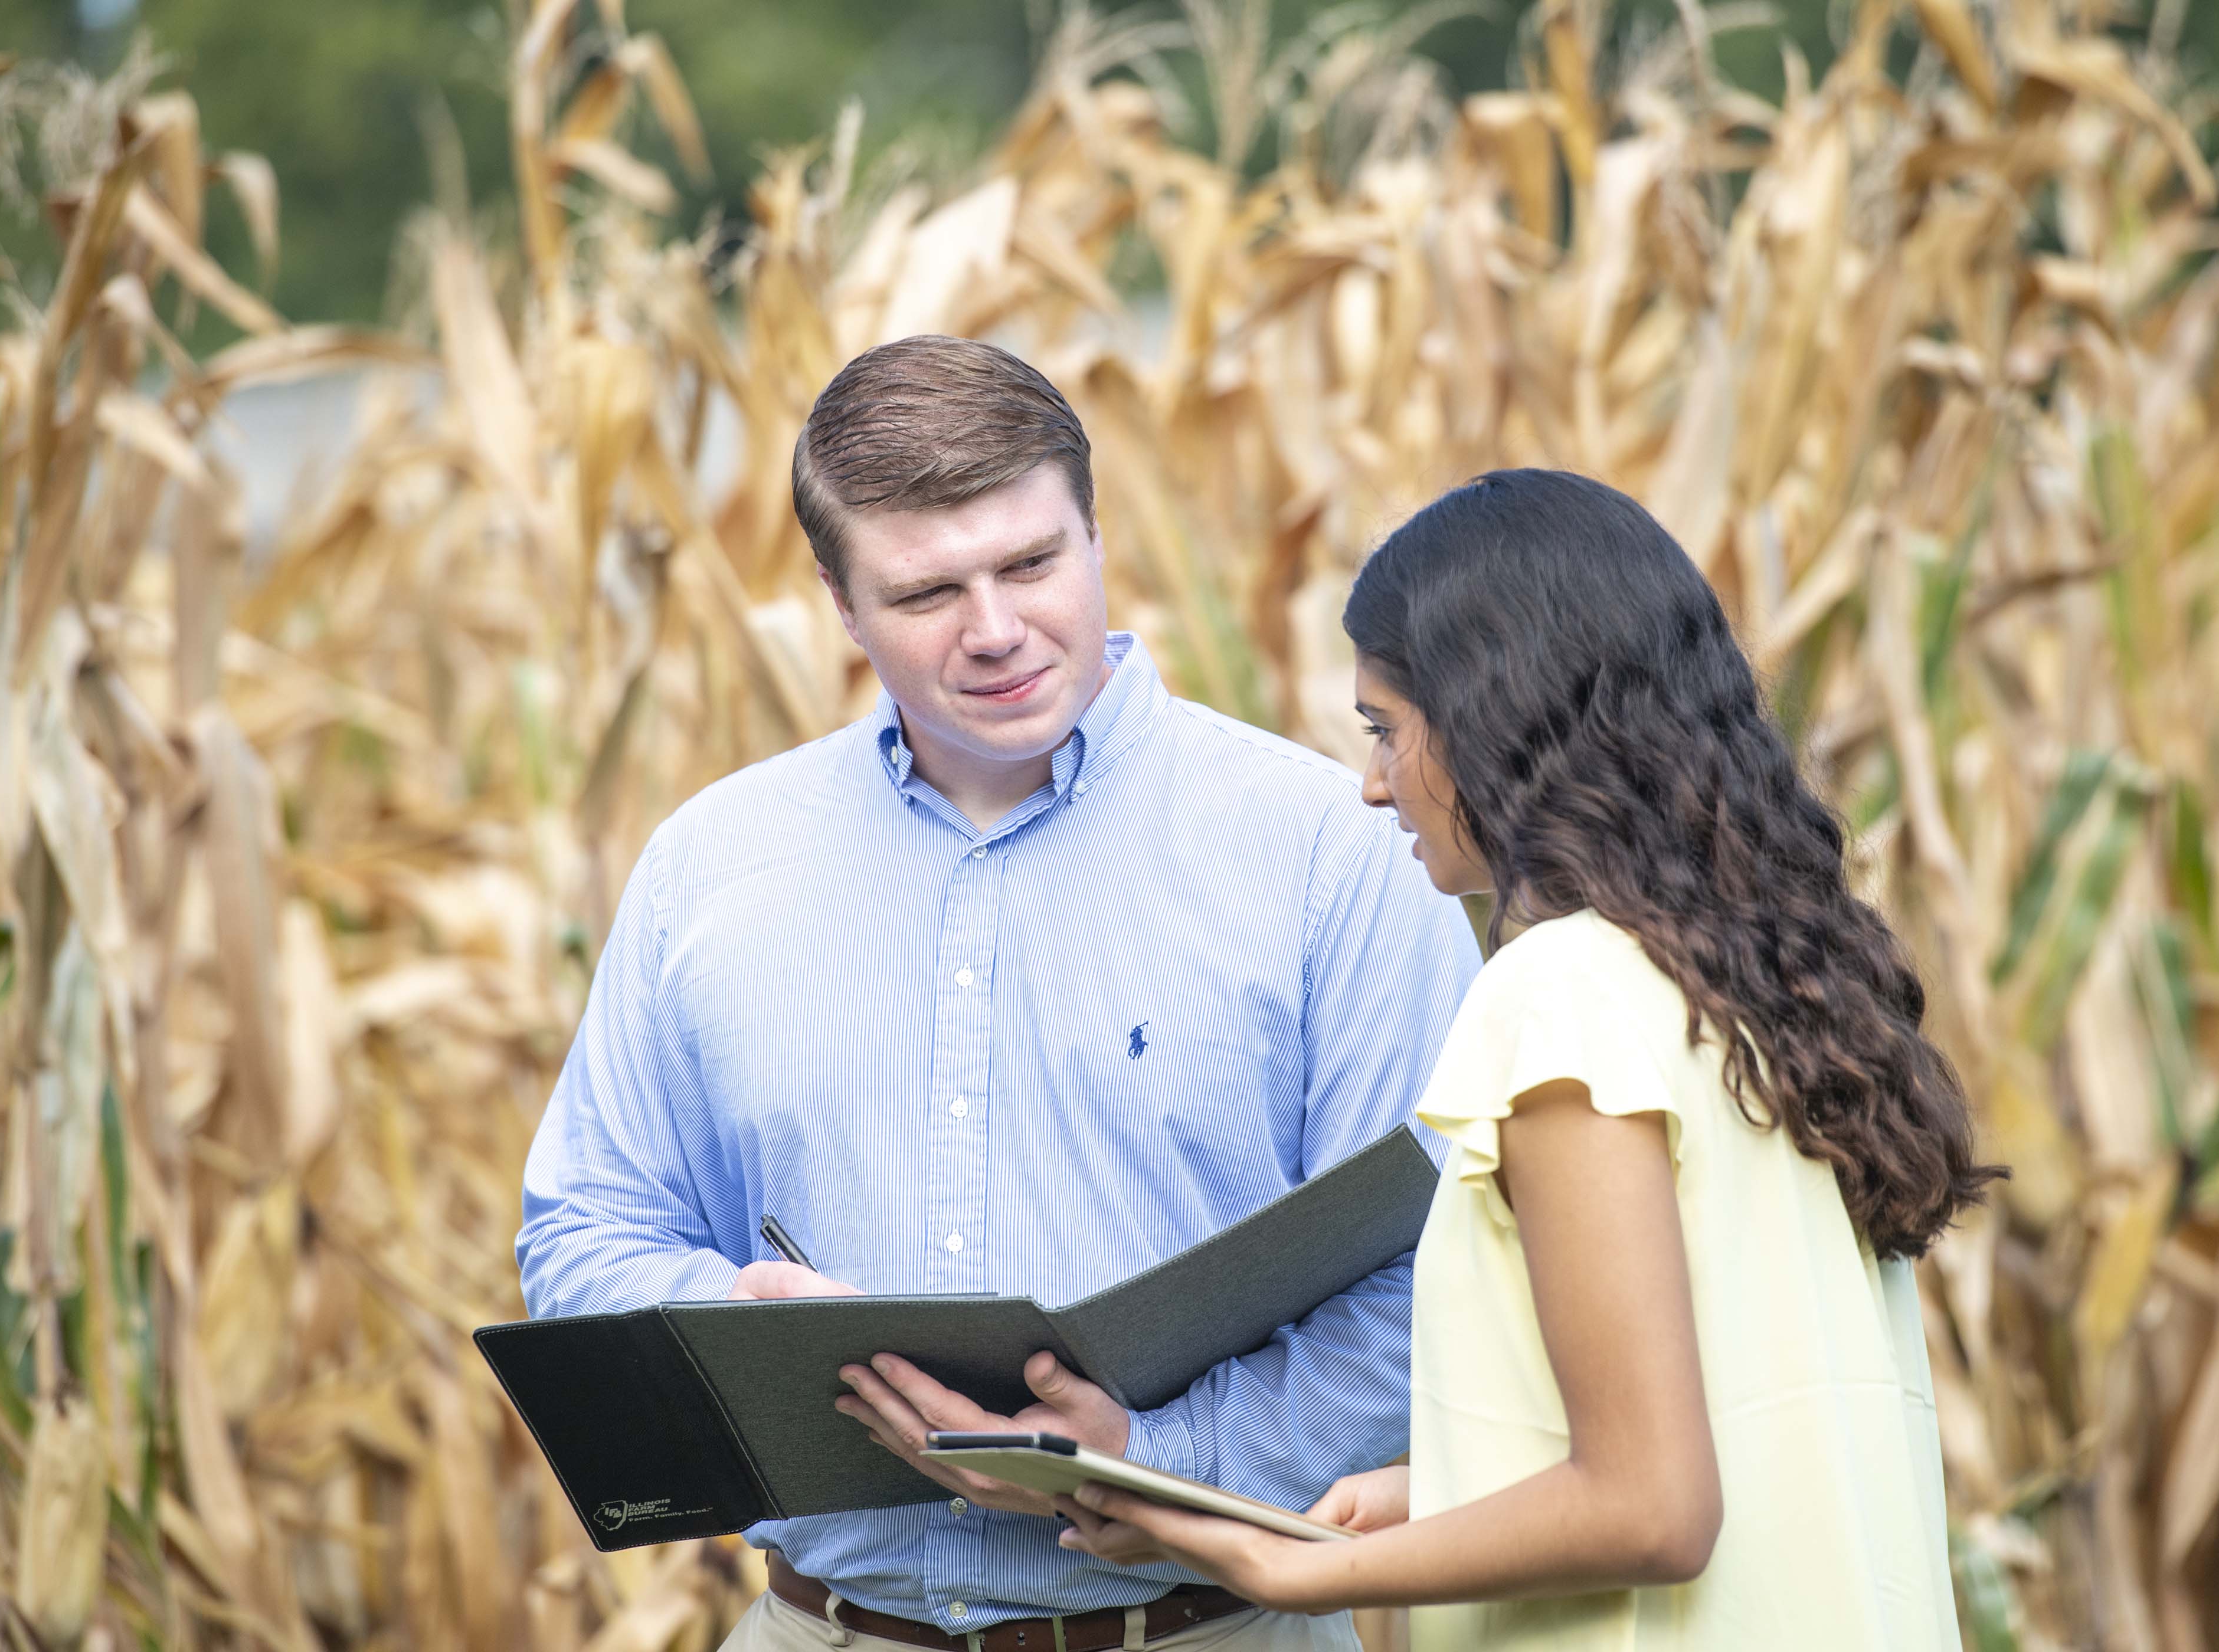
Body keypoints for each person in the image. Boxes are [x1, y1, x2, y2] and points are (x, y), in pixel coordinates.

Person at [514, 335, 1484, 1651]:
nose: (995, 630)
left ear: (1096, 532)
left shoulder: (1330, 853)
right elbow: (585, 1222)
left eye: (1033, 564)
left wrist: (1149, 1450)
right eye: (925, 592)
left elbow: (1438, 1281)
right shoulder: (711, 864)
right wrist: (731, 1324)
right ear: (839, 602)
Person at [1052, 469, 1997, 1651]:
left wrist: (1277, 1573)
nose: (1373, 782)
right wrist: (1402, 1502)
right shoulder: (1772, 994)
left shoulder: (1562, 998)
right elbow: (1727, 1432)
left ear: (1500, 717)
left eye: (1387, 729)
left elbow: (1653, 1507)